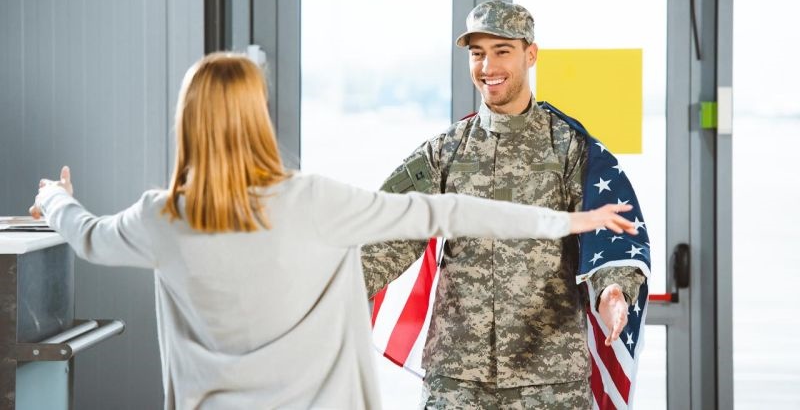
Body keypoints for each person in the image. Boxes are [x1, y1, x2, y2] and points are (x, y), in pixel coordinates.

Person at [29, 53, 637, 410]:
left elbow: (86, 235)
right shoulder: (313, 201)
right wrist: (569, 221)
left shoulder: (159, 217)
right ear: (257, 119)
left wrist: (54, 197)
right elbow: (447, 210)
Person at [361, 0, 647, 408]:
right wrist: (327, 288)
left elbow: (609, 232)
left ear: (531, 54)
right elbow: (388, 231)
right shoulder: (445, 151)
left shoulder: (570, 148)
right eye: (477, 54)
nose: (487, 67)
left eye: (502, 51)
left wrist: (613, 288)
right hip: (458, 378)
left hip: (549, 378)